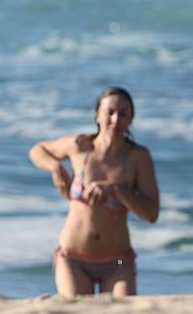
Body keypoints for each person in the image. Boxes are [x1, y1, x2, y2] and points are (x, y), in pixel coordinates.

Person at [29, 87, 159, 297]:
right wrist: (55, 167)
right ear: (97, 115)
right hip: (72, 258)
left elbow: (151, 213)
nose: (116, 119)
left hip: (118, 261)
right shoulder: (79, 146)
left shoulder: (138, 157)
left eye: (123, 114)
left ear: (131, 119)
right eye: (110, 112)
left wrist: (116, 190)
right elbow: (37, 151)